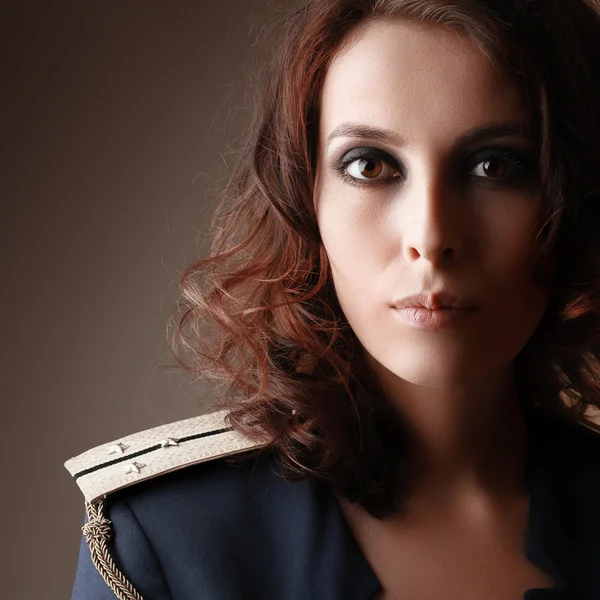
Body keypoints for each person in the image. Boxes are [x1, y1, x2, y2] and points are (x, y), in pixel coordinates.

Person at [65, 0, 600, 598]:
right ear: (304, 198)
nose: (430, 237)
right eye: (370, 165)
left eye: (494, 165)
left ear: (574, 195)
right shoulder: (167, 539)